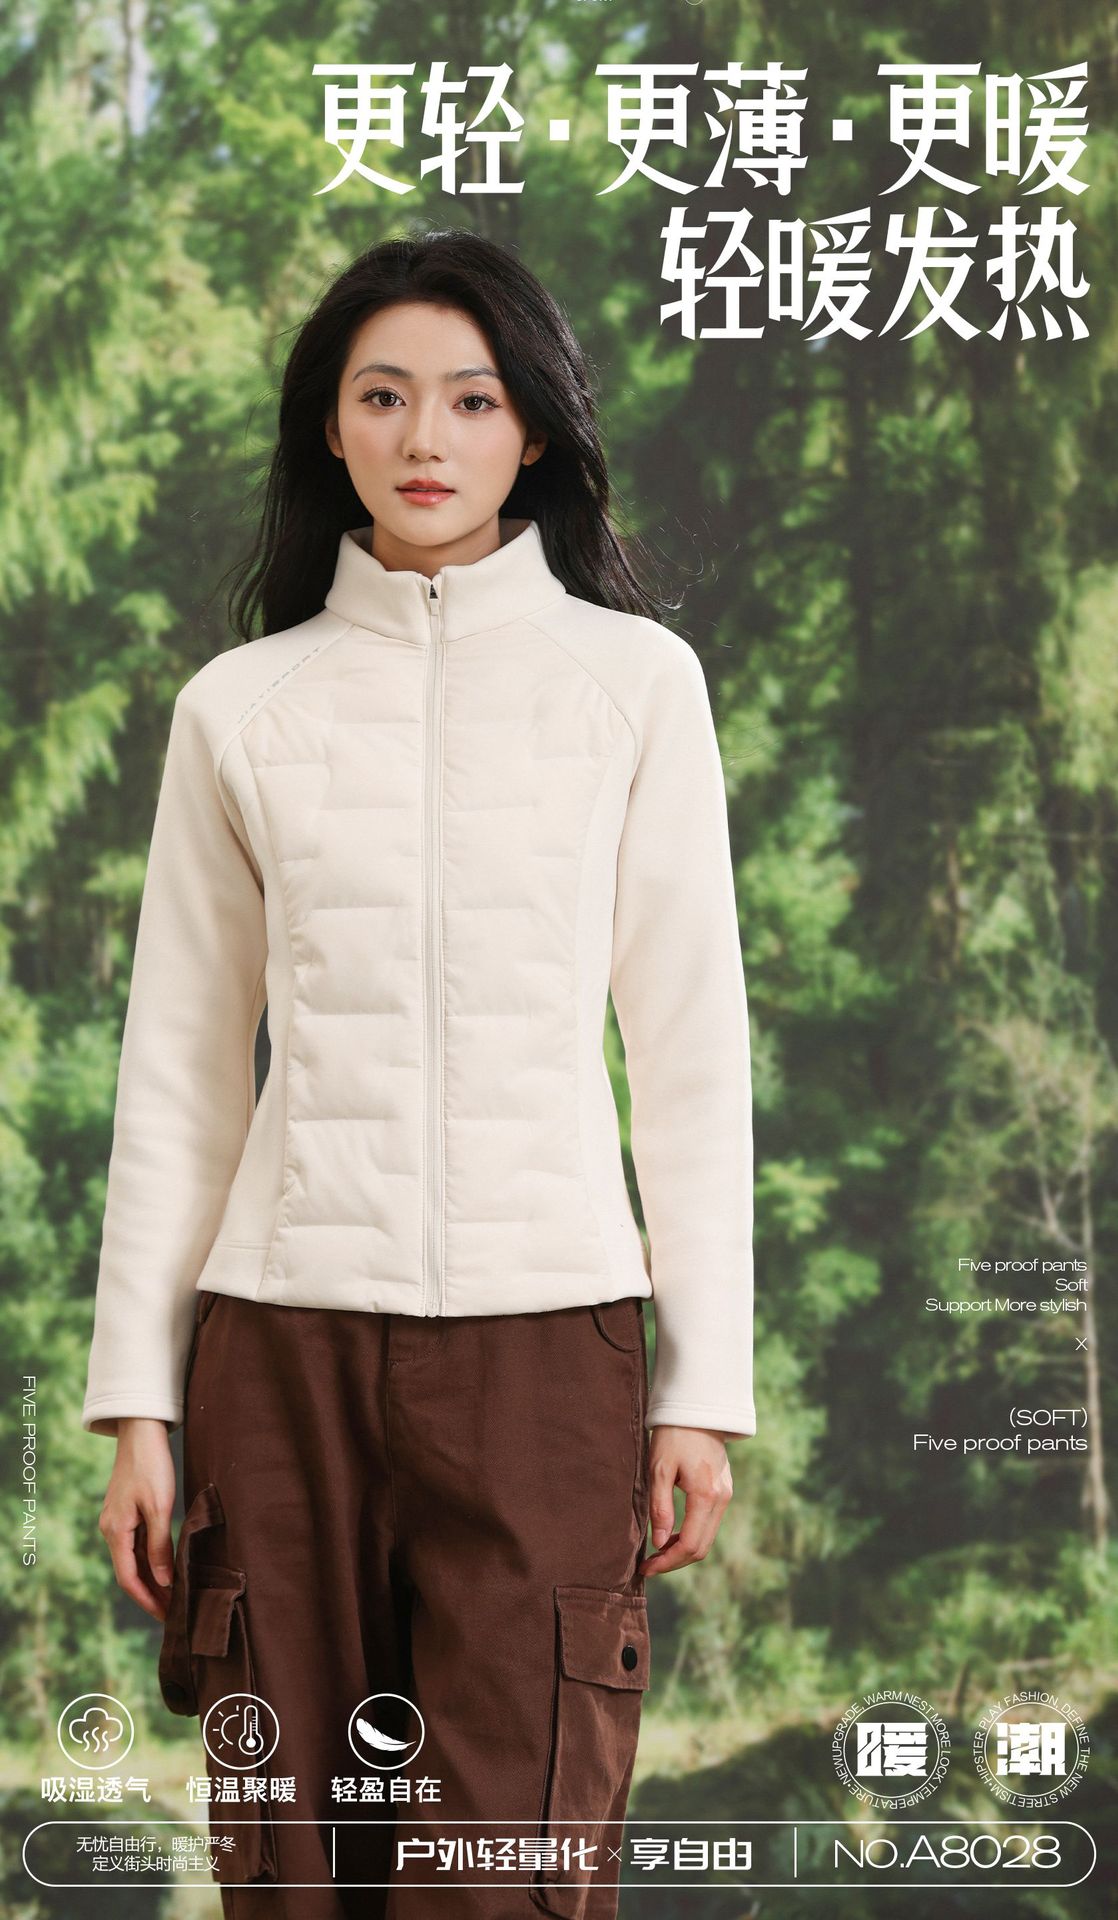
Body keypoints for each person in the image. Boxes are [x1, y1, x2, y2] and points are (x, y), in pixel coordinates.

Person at [82, 228, 756, 1918]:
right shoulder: (241, 708)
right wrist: (139, 1405)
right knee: (290, 1873)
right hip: (280, 1354)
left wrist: (700, 1388)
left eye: (471, 398)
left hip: (547, 1349)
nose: (425, 437)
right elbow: (180, 1073)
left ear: (534, 428)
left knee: (509, 1867)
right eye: (381, 397)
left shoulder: (633, 688)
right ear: (331, 426)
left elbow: (688, 1050)